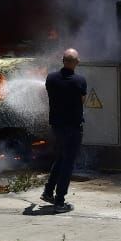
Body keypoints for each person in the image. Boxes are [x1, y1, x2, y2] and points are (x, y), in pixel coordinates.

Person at [43, 47, 88, 212]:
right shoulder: (80, 80)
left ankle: (48, 191)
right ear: (75, 63)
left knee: (61, 158)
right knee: (68, 163)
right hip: (74, 127)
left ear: (63, 61)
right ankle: (59, 201)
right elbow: (82, 100)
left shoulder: (51, 78)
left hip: (57, 126)